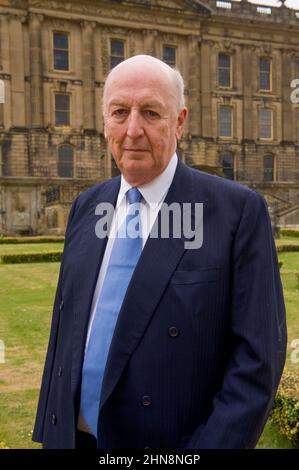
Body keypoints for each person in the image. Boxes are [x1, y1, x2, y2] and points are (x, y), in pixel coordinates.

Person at [33, 55, 287, 449]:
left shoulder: (235, 211)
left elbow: (257, 362)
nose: (132, 130)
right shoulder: (87, 206)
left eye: (151, 113)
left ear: (180, 122)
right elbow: (66, 331)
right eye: (120, 112)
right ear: (105, 122)